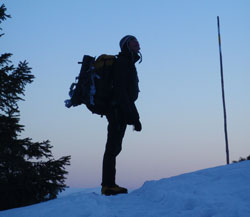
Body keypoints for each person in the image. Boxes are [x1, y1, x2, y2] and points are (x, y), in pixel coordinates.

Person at [101, 35, 142, 196]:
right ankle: (108, 185)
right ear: (126, 45)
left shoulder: (127, 62)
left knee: (114, 147)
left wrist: (134, 117)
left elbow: (126, 94)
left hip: (119, 110)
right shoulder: (123, 63)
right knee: (112, 147)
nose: (137, 42)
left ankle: (109, 184)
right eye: (133, 40)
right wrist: (135, 118)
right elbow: (121, 92)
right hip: (117, 110)